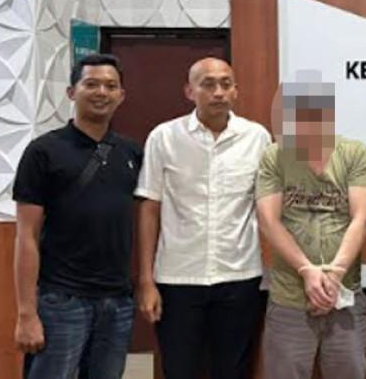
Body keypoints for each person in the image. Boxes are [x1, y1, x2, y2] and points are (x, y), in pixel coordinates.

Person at [134, 57, 271, 379]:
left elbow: (267, 208)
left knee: (234, 371)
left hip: (240, 276)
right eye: (208, 84)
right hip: (177, 278)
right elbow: (149, 207)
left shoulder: (257, 137)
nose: (218, 92)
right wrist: (146, 280)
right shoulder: (164, 137)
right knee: (179, 370)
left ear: (236, 90)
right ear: (189, 91)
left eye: (225, 84)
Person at [13, 53, 142, 379]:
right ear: (72, 92)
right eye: (91, 84)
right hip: (61, 299)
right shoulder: (43, 151)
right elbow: (26, 236)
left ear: (122, 95)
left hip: (117, 301)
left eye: (111, 86)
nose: (102, 92)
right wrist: (26, 313)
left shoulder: (131, 152)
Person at [255, 79, 366, 379]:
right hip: (289, 300)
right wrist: (307, 271)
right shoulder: (274, 156)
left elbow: (361, 219)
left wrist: (333, 275)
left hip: (345, 297)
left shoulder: (354, 153)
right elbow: (269, 221)